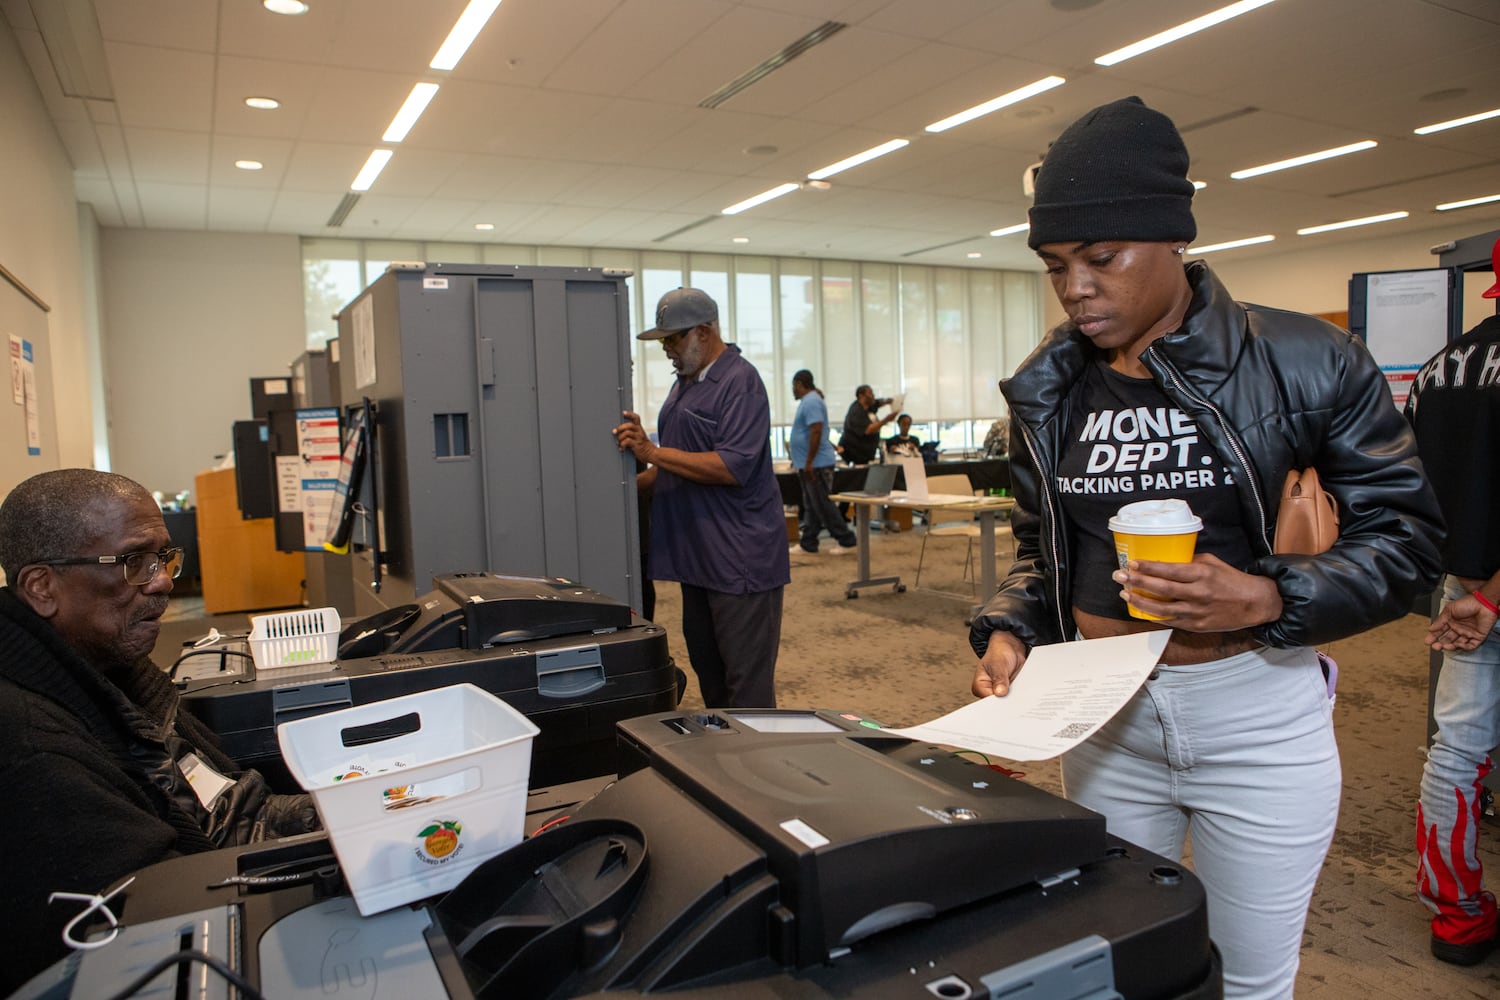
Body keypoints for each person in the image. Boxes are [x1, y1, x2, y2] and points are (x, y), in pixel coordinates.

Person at [967, 97, 1443, 999]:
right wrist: (1011, 629)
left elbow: (1408, 542)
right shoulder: (1049, 389)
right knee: (1120, 968)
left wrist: (1268, 597)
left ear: (1171, 238)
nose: (1076, 289)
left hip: (1254, 717)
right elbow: (1044, 551)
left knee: (1247, 981)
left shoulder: (1305, 358)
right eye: (1055, 265)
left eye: (1102, 260)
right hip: (1104, 719)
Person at [0, 469, 320, 994]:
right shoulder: (32, 752)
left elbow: (225, 808)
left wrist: (345, 814)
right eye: (133, 563)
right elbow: (162, 918)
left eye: (164, 557)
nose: (163, 581)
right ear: (42, 587)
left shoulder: (105, 665)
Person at [614, 288, 789, 708]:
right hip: (697, 558)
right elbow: (677, 465)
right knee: (709, 672)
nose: (668, 350)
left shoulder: (740, 382)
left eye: (673, 339)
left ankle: (752, 767)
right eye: (663, 342)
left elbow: (732, 466)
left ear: (705, 332)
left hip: (738, 559)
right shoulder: (684, 386)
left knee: (745, 684)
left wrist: (652, 452)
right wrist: (620, 492)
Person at [1406, 250, 1500, 966]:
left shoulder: (1440, 369)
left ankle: (1456, 917)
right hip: (1484, 597)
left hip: (1465, 588)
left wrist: (1474, 588)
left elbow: (1416, 491)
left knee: (1457, 751)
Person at [790, 369, 857, 555]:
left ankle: (847, 540)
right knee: (811, 504)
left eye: (793, 386)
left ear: (799, 384)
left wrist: (810, 461)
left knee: (822, 504)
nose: (792, 390)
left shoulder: (811, 401)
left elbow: (817, 430)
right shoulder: (809, 401)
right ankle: (808, 543)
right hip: (808, 463)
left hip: (816, 464)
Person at [839, 385, 893, 465]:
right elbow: (868, 430)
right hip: (855, 456)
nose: (873, 395)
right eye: (870, 393)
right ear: (861, 395)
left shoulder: (868, 407)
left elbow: (877, 403)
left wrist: (887, 401)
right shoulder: (856, 411)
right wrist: (886, 419)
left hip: (866, 455)